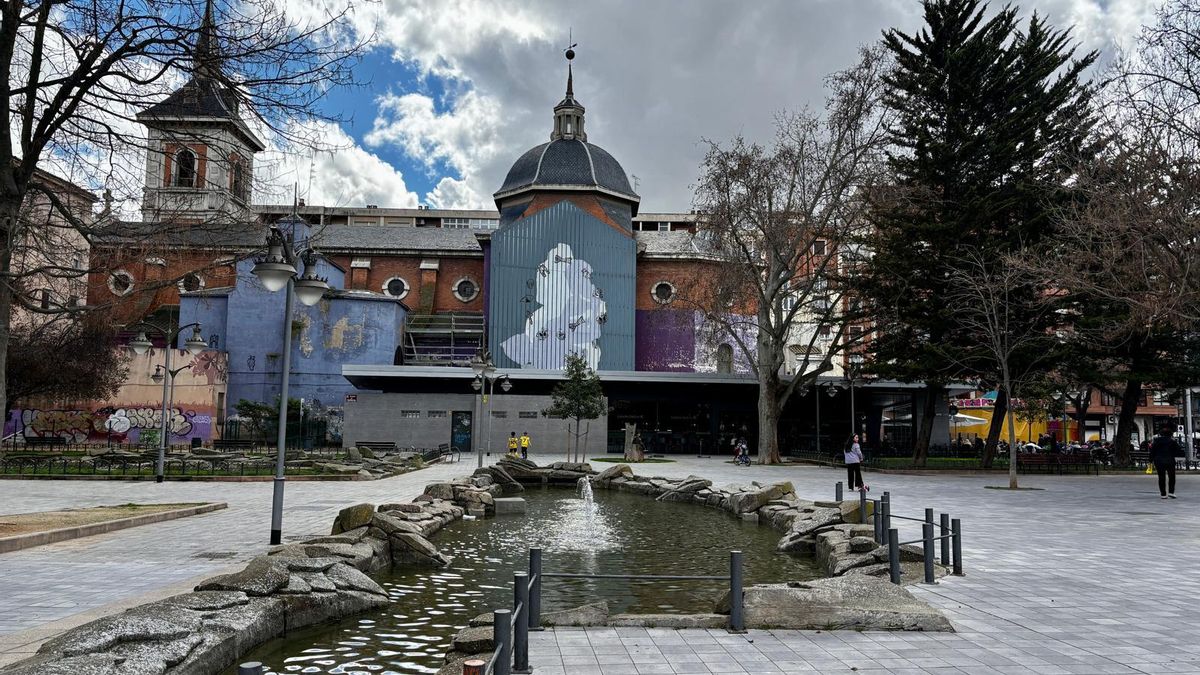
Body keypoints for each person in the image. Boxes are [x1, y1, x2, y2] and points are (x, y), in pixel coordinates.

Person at [1149, 426, 1183, 499]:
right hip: (1170, 460)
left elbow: (1152, 451)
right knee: (1172, 476)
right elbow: (1179, 451)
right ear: (1170, 434)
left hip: (1159, 461)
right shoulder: (1172, 441)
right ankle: (1171, 492)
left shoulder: (1156, 441)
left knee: (1161, 477)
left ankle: (1163, 494)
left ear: (1161, 434)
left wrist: (1150, 460)